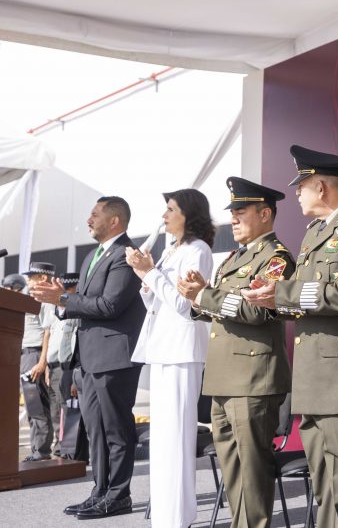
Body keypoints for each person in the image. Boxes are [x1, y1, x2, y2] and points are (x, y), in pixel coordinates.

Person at [244, 145, 338, 528]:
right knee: (323, 486)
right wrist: (272, 297)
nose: (296, 193)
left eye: (302, 185)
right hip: (313, 378)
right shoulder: (315, 232)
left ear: (322, 186)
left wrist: (284, 294)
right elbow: (304, 296)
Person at [177, 177, 295, 528]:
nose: (233, 219)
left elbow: (258, 311)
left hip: (253, 380)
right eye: (232, 212)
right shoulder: (234, 258)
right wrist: (196, 297)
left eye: (240, 211)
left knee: (253, 469)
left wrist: (205, 296)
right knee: (231, 468)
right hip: (224, 377)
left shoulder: (276, 258)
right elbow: (220, 306)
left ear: (265, 213)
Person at [29, 196, 145, 519]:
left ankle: (119, 495)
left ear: (115, 221)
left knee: (116, 429)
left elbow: (110, 305)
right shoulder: (92, 256)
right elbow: (84, 302)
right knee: (94, 429)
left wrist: (65, 298)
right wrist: (61, 301)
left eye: (95, 214)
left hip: (115, 357)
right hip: (90, 358)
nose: (88, 219)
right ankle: (100, 491)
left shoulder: (125, 255)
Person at [127, 188, 215, 528]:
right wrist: (145, 279)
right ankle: (164, 517)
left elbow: (184, 305)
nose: (164, 216)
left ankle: (178, 518)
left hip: (182, 350)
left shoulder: (198, 250)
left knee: (177, 437)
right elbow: (157, 303)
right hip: (162, 348)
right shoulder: (171, 250)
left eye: (170, 209)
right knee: (161, 438)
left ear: (187, 215)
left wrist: (150, 274)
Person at [17, 263, 56, 462]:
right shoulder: (30, 299)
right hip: (25, 355)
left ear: (42, 278)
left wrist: (42, 362)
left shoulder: (46, 300)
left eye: (32, 277)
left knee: (38, 406)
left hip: (35, 354)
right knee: (32, 407)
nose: (28, 281)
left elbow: (48, 332)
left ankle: (41, 451)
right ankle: (36, 450)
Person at [46, 272, 82, 459]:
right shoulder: (63, 310)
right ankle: (67, 448)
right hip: (63, 365)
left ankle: (73, 450)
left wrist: (76, 377)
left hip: (75, 367)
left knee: (72, 409)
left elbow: (79, 346)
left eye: (68, 290)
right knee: (63, 408)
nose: (66, 294)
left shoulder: (79, 310)